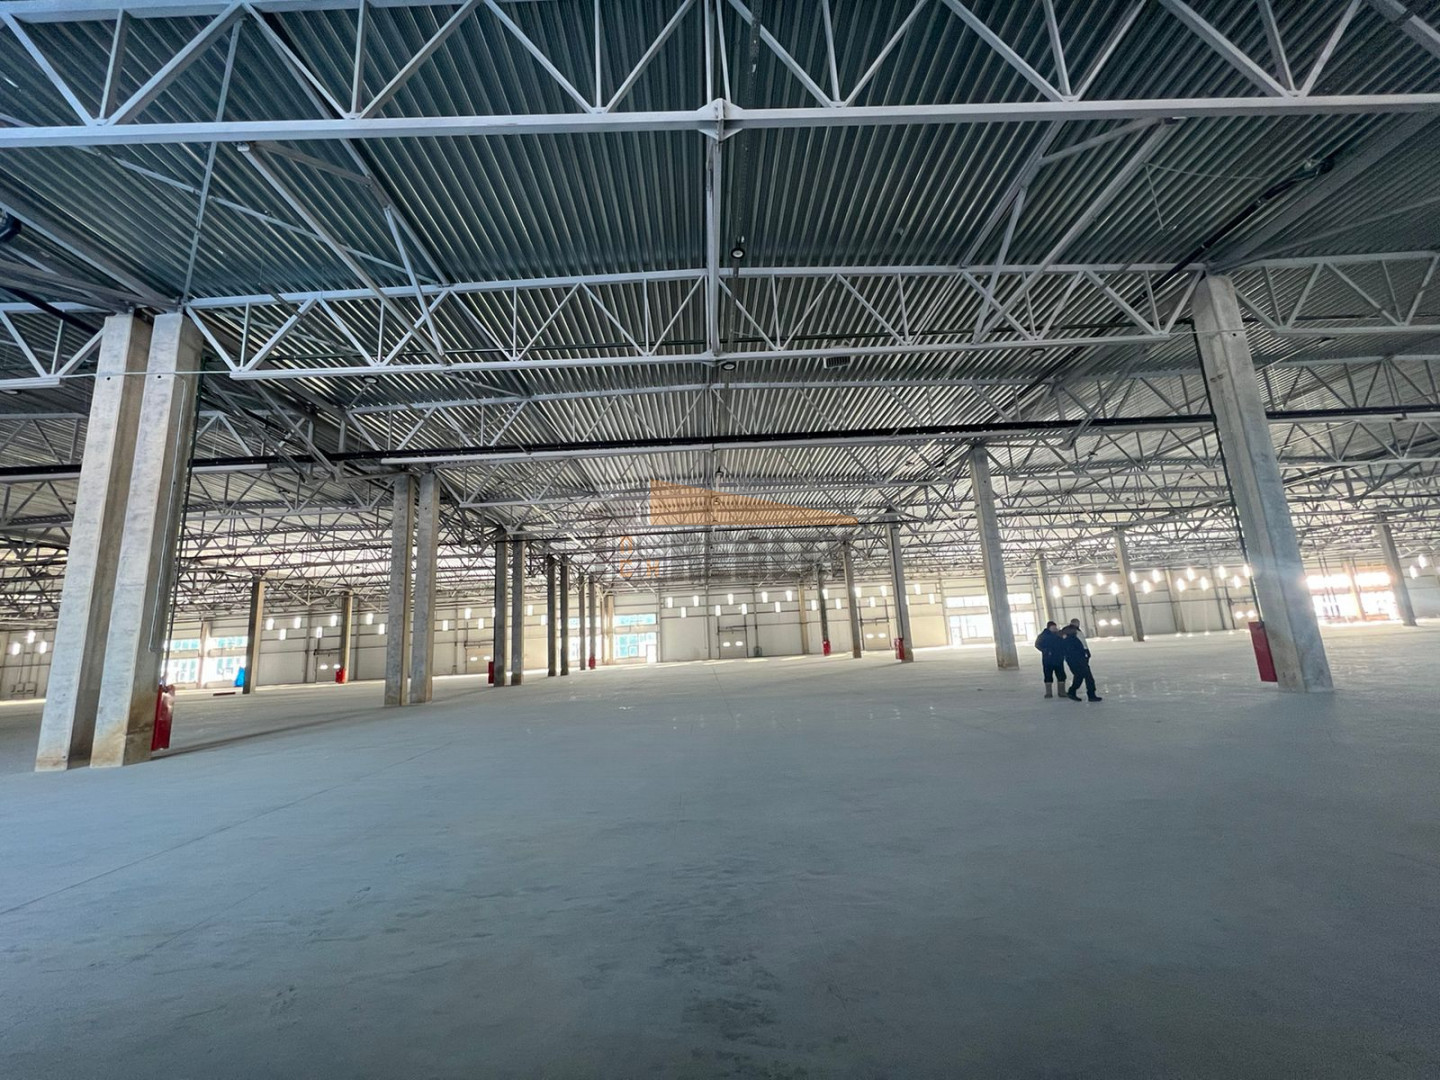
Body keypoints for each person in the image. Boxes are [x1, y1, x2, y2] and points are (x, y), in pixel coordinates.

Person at [1058, 624, 1102, 702]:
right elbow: (1074, 652)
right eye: (1075, 630)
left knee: (1079, 677)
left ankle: (1072, 692)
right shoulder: (1071, 639)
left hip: (1076, 661)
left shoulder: (1069, 639)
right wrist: (1083, 658)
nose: (1076, 631)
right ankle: (1091, 695)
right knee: (1088, 678)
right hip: (1078, 662)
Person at [1034, 620, 1066, 698]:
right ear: (1049, 627)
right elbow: (1037, 644)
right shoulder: (1043, 635)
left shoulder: (1059, 634)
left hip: (1058, 659)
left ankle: (1061, 692)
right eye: (1053, 627)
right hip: (1048, 660)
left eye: (1055, 627)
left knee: (1061, 675)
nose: (1054, 628)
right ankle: (1048, 693)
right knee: (1048, 676)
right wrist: (1045, 650)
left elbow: (1064, 643)